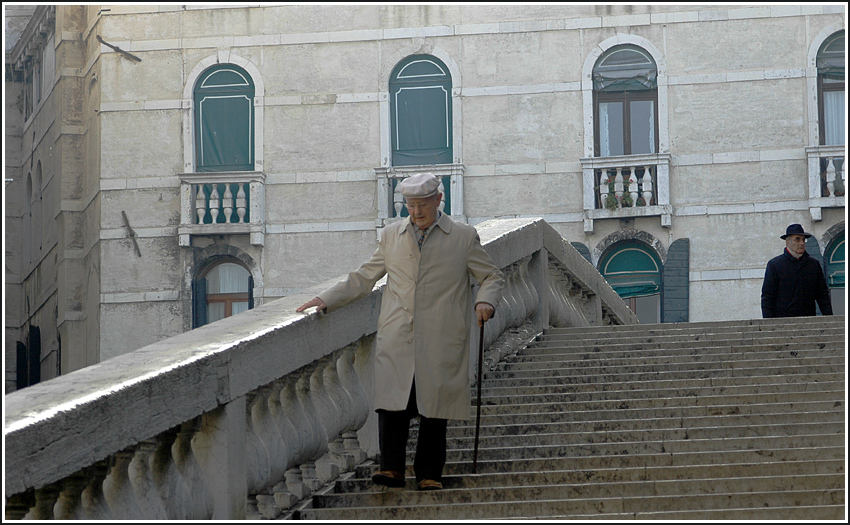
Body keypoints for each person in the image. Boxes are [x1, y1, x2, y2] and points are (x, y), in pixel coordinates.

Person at [296, 173, 504, 491]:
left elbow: (491, 275)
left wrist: (484, 301)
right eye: (410, 205)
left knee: (434, 407)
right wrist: (326, 300)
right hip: (398, 332)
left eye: (422, 205)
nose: (416, 212)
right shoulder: (392, 234)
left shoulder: (462, 237)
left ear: (438, 201)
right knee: (394, 402)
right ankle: (391, 468)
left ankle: (429, 473)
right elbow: (364, 277)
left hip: (441, 334)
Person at [761, 223, 833, 318]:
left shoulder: (813, 265)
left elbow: (822, 295)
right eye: (797, 239)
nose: (802, 243)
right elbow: (768, 297)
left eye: (803, 240)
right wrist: (769, 324)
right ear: (788, 242)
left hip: (808, 320)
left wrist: (829, 319)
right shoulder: (775, 265)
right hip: (782, 321)